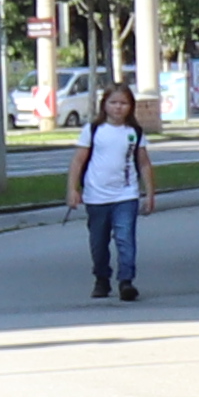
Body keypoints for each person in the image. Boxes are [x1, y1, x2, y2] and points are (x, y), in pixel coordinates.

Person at [79, 87, 151, 303]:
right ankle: (102, 278)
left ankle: (126, 281)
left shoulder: (134, 132)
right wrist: (73, 190)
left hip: (126, 195)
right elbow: (78, 161)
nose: (118, 107)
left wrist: (149, 193)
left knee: (125, 239)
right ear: (105, 105)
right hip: (96, 196)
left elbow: (144, 163)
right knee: (98, 242)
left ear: (130, 107)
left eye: (124, 103)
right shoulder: (93, 130)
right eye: (113, 102)